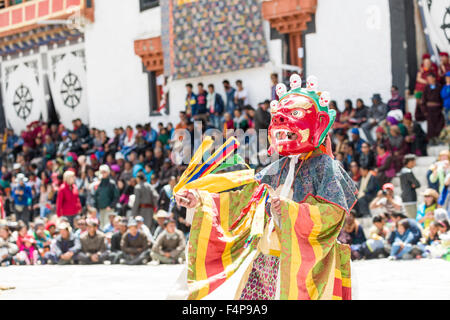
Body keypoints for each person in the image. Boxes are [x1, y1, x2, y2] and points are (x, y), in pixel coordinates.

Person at [172, 75, 357, 300]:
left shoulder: (325, 166)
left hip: (308, 267)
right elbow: (244, 202)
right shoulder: (277, 168)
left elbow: (333, 216)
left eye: (295, 114)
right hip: (267, 259)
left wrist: (292, 210)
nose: (281, 121)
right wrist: (199, 199)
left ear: (318, 122)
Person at [94, 165, 119, 229]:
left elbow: (116, 196)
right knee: (101, 226)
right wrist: (96, 206)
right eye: (101, 172)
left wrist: (111, 206)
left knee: (108, 226)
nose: (102, 174)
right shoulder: (99, 184)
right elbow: (96, 196)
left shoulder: (112, 183)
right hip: (100, 209)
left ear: (108, 172)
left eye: (104, 172)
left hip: (109, 209)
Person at [421, 73, 444, 145]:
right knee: (430, 127)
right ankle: (431, 141)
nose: (429, 80)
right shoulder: (426, 88)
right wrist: (425, 112)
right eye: (428, 79)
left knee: (439, 125)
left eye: (430, 78)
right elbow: (423, 101)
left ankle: (439, 139)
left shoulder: (439, 87)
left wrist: (441, 108)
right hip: (429, 110)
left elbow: (442, 98)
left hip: (438, 110)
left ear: (434, 78)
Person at [400, 154, 421, 219]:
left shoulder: (403, 171)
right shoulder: (408, 172)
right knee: (412, 219)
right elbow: (417, 184)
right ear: (409, 162)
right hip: (410, 198)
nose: (414, 163)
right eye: (413, 161)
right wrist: (414, 185)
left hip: (407, 197)